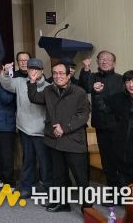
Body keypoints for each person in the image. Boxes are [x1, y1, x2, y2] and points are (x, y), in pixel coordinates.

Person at [27, 62, 91, 213]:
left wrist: (65, 127)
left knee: (80, 177)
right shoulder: (48, 90)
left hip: (74, 141)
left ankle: (88, 206)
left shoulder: (79, 92)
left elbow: (83, 115)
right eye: (55, 73)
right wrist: (32, 81)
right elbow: (35, 97)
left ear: (69, 75)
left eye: (62, 73)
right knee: (59, 175)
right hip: (54, 141)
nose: (58, 76)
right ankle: (63, 204)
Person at [2, 58, 51, 199]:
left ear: (42, 71)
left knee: (45, 161)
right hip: (24, 128)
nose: (33, 71)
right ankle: (26, 187)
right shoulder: (19, 82)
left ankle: (47, 187)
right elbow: (6, 84)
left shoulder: (48, 87)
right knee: (28, 159)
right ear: (27, 70)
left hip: (41, 131)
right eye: (31, 69)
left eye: (37, 69)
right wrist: (6, 73)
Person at [78, 50, 124, 187]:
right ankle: (113, 188)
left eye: (108, 59)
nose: (105, 61)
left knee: (120, 158)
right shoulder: (92, 77)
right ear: (97, 62)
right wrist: (86, 69)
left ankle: (123, 189)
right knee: (106, 159)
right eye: (102, 59)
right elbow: (84, 87)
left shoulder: (121, 79)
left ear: (114, 63)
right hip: (101, 125)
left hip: (119, 125)